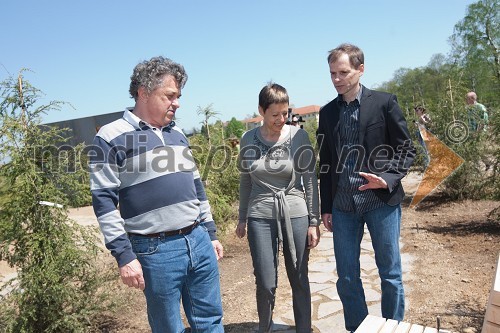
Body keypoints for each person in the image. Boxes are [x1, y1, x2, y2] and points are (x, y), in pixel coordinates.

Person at [89, 56, 224, 333]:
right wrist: (124, 256)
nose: (177, 103)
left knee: (210, 322)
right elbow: (103, 201)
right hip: (156, 251)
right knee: (168, 328)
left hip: (198, 240)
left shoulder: (178, 134)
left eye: (178, 96)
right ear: (144, 92)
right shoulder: (110, 137)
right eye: (170, 95)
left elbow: (196, 186)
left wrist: (209, 233)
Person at [317, 43, 416, 332]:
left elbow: (406, 149)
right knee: (347, 277)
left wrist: (388, 178)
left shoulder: (384, 103)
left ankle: (393, 327)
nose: (337, 79)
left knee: (390, 274)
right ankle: (358, 328)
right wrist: (326, 207)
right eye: (332, 73)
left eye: (343, 72)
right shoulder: (326, 113)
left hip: (381, 203)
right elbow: (325, 162)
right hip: (344, 206)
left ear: (361, 69)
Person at [236, 82, 320, 333]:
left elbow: (310, 179)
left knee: (299, 278)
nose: (282, 119)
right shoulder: (247, 139)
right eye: (275, 114)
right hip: (260, 216)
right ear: (261, 111)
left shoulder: (299, 136)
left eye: (285, 113)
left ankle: (304, 329)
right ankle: (265, 327)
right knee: (265, 281)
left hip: (295, 212)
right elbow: (245, 180)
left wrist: (314, 221)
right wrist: (242, 218)